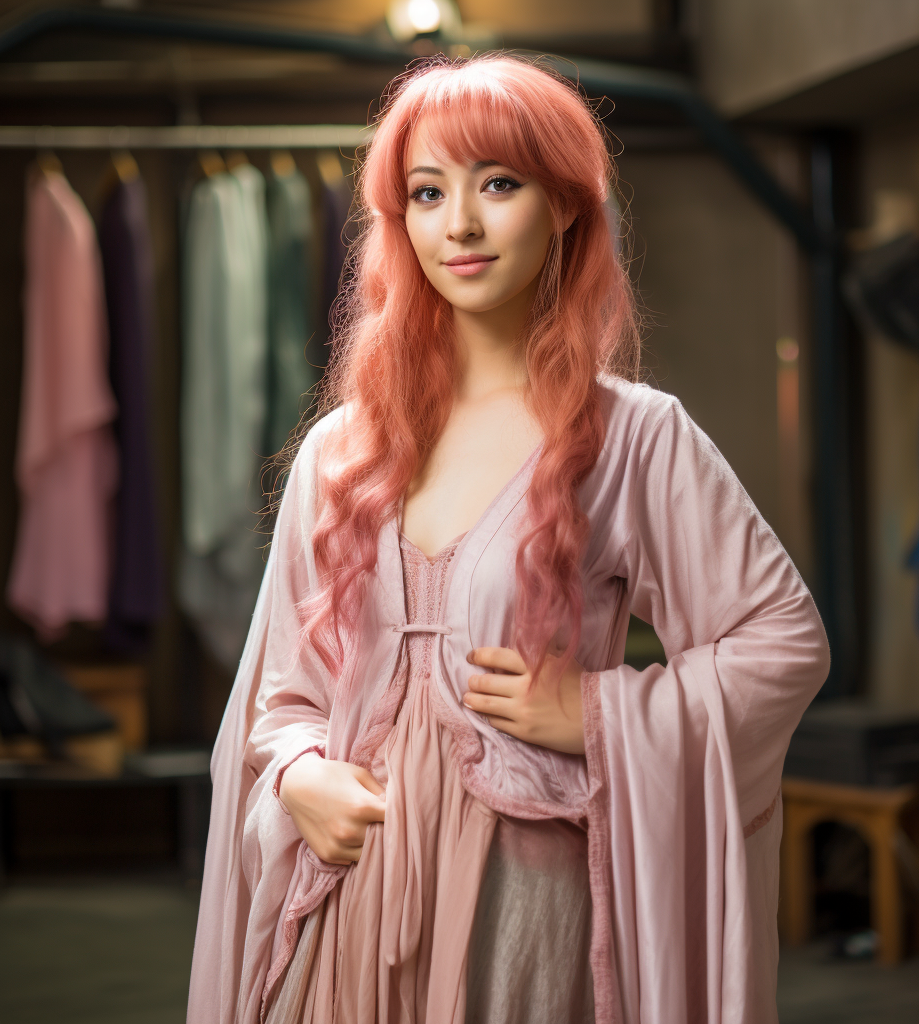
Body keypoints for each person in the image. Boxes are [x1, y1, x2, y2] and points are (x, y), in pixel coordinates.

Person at [187, 54, 830, 1024]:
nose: (462, 224)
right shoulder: (339, 451)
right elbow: (284, 689)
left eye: (498, 183)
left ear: (565, 205)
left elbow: (781, 641)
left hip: (530, 916)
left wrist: (602, 714)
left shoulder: (634, 436)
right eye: (427, 192)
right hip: (347, 894)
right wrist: (297, 771)